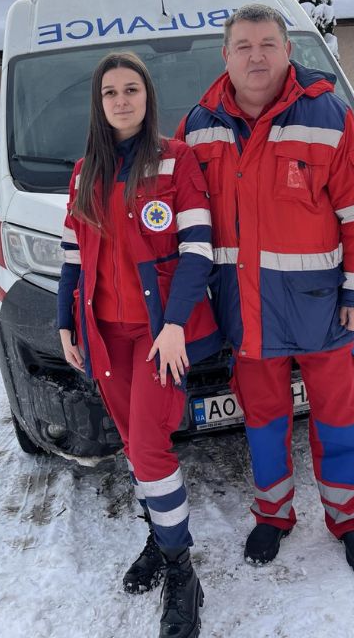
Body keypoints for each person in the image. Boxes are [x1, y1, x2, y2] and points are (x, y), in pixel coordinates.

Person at [175, 3, 354, 575]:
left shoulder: (328, 116)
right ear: (226, 56)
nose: (256, 55)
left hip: (324, 312)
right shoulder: (198, 127)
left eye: (268, 43)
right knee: (264, 421)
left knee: (339, 418)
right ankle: (273, 515)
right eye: (243, 45)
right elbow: (176, 217)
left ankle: (350, 521)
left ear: (288, 51)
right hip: (246, 314)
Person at [58, 52, 219, 638]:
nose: (121, 100)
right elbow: (73, 257)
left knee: (150, 446)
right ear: (98, 105)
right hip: (105, 336)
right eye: (109, 93)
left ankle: (181, 570)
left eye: (131, 89)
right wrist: (66, 323)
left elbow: (199, 248)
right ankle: (160, 536)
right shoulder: (84, 173)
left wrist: (175, 323)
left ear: (147, 97)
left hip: (158, 339)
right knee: (133, 445)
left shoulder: (176, 162)